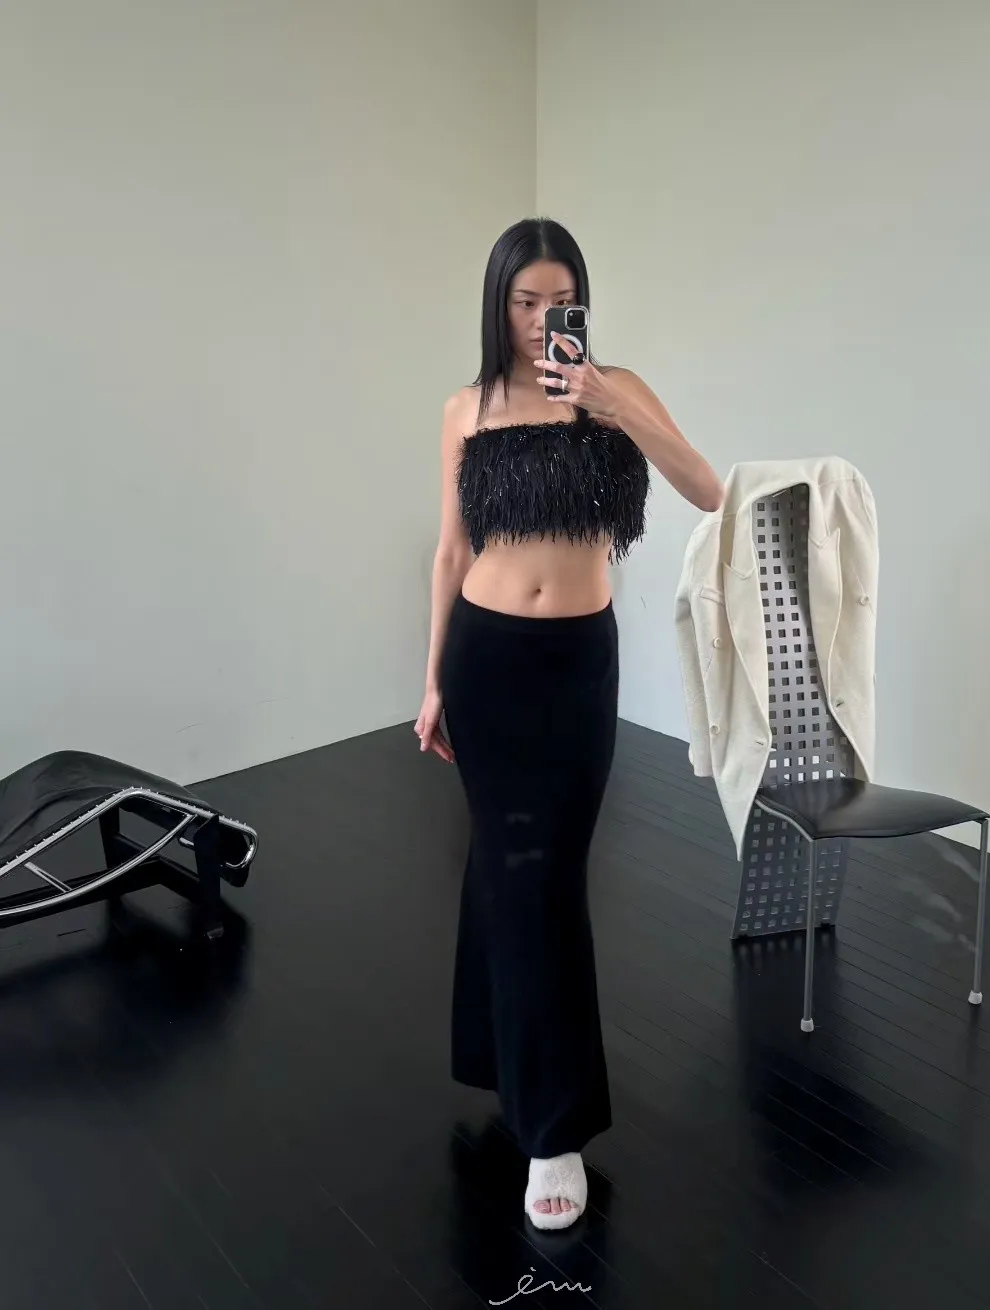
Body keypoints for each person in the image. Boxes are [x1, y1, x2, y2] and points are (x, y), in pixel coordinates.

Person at [415, 217, 723, 1230]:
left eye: (561, 301)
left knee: (540, 873)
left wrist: (607, 404)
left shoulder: (616, 389)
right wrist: (432, 680)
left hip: (578, 666)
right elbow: (451, 553)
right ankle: (552, 1129)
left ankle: (495, 1049)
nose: (543, 318)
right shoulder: (467, 408)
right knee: (516, 869)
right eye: (525, 301)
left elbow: (709, 490)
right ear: (497, 304)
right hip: (486, 661)